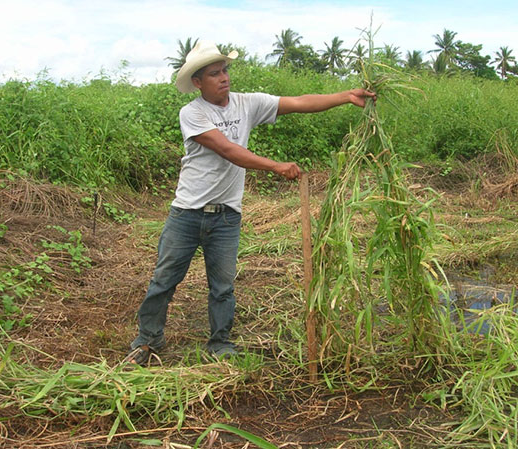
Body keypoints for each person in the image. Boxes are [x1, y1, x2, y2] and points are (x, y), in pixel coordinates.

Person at [126, 40, 376, 364]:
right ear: (198, 82)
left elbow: (299, 102)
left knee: (223, 286)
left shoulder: (248, 104)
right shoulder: (192, 113)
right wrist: (275, 166)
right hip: (187, 213)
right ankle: (148, 341)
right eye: (214, 74)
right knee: (164, 280)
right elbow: (229, 150)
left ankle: (220, 344)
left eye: (225, 70)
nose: (224, 77)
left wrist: (345, 96)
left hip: (227, 215)